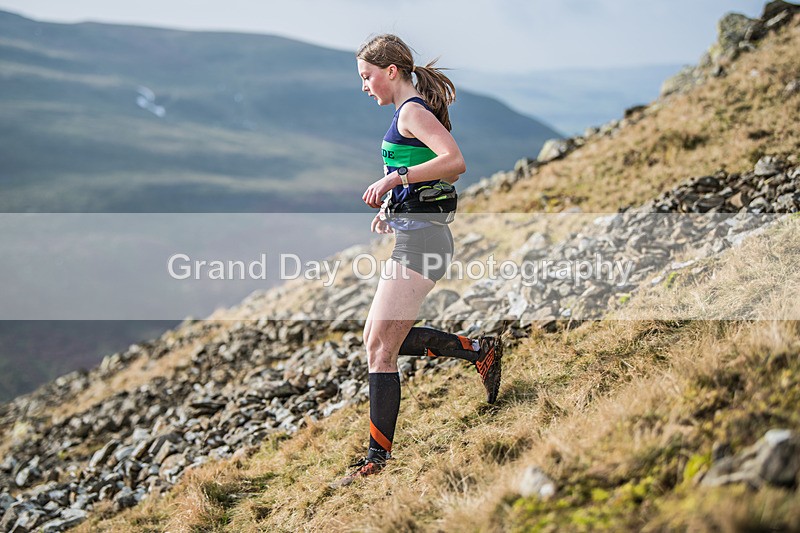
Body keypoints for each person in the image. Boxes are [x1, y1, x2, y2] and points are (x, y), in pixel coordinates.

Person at [334, 34, 502, 487]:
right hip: (416, 234)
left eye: (366, 77)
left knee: (380, 348)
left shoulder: (412, 112)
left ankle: (376, 459)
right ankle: (478, 350)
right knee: (378, 338)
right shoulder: (403, 112)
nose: (364, 86)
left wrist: (395, 180)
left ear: (391, 71)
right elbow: (425, 170)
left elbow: (454, 161)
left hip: (426, 244)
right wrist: (397, 207)